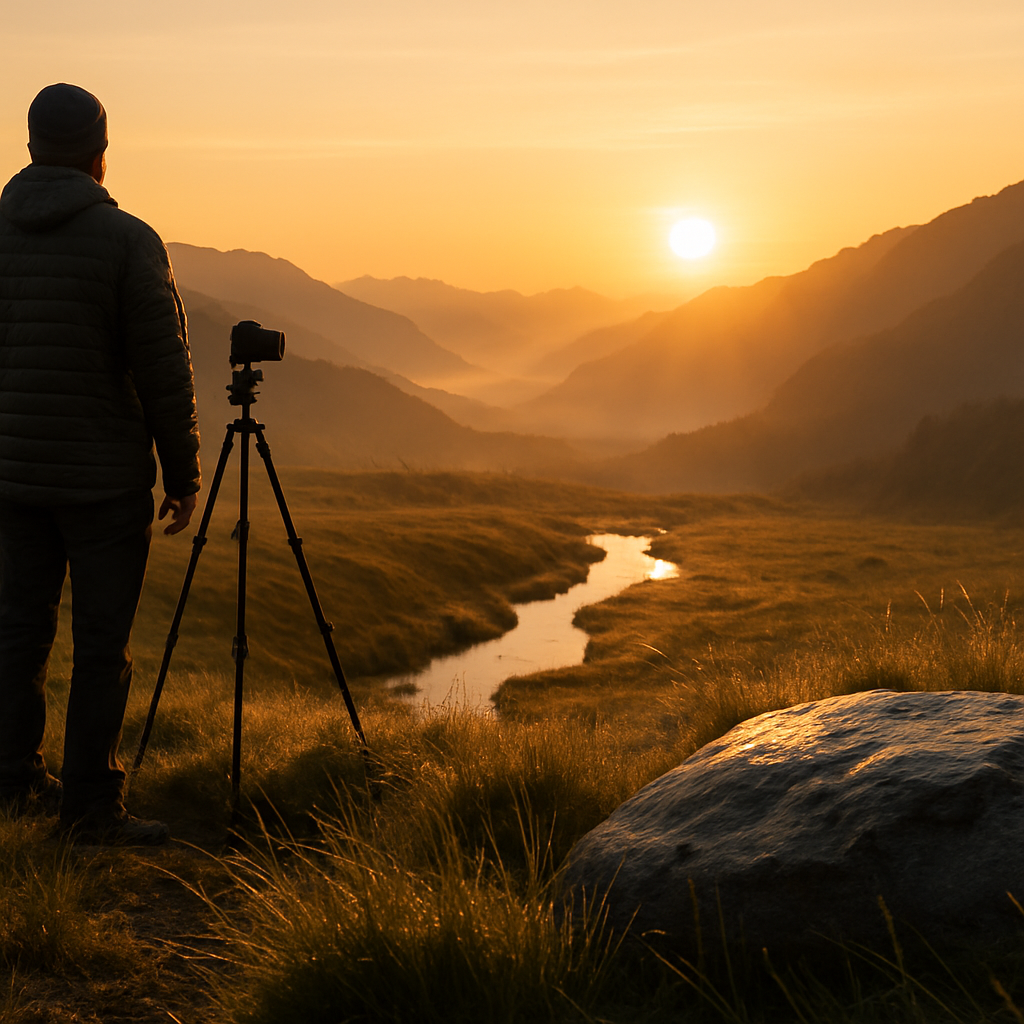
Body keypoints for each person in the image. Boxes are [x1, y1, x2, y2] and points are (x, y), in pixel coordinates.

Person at [0, 83, 201, 844]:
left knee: (16, 633)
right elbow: (162, 368)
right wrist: (182, 473)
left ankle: (12, 782)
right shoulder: (128, 241)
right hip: (102, 485)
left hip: (12, 479)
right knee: (100, 647)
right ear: (99, 153)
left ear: (30, 148)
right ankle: (89, 810)